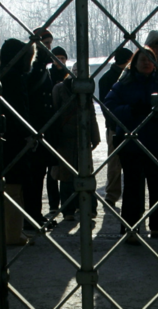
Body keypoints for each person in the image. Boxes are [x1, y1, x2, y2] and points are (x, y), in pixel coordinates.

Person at [104, 48, 158, 243]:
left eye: (151, 59)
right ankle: (131, 228)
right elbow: (108, 105)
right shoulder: (124, 83)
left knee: (157, 186)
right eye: (143, 59)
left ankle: (156, 226)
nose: (147, 62)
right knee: (133, 187)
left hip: (157, 142)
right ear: (135, 62)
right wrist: (130, 110)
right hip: (132, 143)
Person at [0, 39, 36, 245]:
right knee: (14, 188)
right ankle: (12, 233)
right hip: (15, 141)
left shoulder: (0, 75)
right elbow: (20, 112)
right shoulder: (15, 78)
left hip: (4, 139)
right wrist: (27, 134)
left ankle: (11, 231)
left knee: (8, 189)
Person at [51, 66, 101, 222]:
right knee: (67, 176)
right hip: (65, 139)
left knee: (86, 173)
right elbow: (54, 114)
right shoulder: (59, 89)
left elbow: (91, 112)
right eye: (77, 71)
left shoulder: (86, 89)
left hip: (82, 138)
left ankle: (89, 208)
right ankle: (69, 211)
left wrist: (95, 136)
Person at [24, 29, 57, 227]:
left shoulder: (43, 68)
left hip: (43, 128)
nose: (49, 48)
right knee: (33, 175)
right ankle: (31, 215)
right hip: (34, 127)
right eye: (46, 43)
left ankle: (35, 213)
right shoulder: (32, 67)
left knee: (40, 174)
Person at [98, 47, 134, 205]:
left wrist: (112, 123)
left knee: (114, 162)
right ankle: (131, 194)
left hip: (112, 126)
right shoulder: (129, 76)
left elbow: (105, 105)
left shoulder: (105, 78)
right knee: (132, 162)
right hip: (130, 124)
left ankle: (112, 194)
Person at [45, 45, 69, 213]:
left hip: (66, 125)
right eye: (57, 58)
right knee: (52, 167)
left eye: (62, 58)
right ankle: (54, 204)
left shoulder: (70, 77)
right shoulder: (48, 76)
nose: (60, 61)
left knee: (66, 166)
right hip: (52, 125)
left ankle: (67, 203)